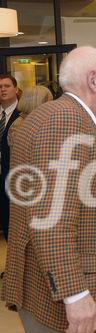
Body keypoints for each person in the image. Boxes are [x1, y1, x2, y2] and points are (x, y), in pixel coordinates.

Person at [1, 46, 96, 333]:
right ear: (93, 80)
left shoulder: (51, 115)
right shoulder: (65, 121)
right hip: (62, 294)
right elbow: (49, 219)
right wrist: (75, 294)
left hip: (43, 285)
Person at [0, 74, 20, 241]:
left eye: (7, 86)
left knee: (12, 223)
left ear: (16, 89)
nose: (3, 89)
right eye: (0, 87)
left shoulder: (23, 115)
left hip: (13, 177)